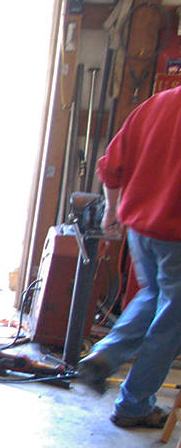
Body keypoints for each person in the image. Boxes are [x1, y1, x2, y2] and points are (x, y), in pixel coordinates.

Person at [76, 85, 181, 427]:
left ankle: (104, 356)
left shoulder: (158, 103)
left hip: (142, 228)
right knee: (171, 324)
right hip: (177, 234)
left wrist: (112, 209)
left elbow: (111, 165)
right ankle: (135, 406)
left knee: (153, 295)